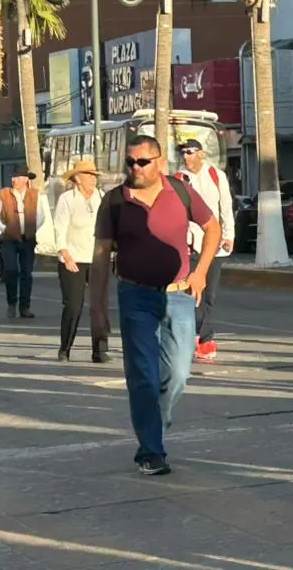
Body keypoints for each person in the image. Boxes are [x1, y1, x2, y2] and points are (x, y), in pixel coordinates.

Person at [90, 135, 222, 476]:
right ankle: (151, 450)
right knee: (143, 377)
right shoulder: (114, 201)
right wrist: (98, 308)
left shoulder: (180, 192)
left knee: (179, 373)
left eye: (142, 161)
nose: (135, 167)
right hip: (135, 296)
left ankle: (156, 419)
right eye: (130, 162)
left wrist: (201, 273)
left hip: (179, 294)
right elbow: (101, 255)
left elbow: (212, 227)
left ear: (160, 162)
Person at [176, 138, 235, 363]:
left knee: (209, 294)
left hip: (215, 244)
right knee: (191, 292)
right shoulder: (180, 177)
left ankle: (206, 338)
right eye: (184, 153)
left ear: (201, 153)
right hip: (190, 245)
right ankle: (190, 335)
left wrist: (229, 235)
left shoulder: (216, 175)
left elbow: (226, 207)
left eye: (191, 152)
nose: (187, 157)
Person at [53, 160, 107, 362]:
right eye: (89, 175)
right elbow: (60, 227)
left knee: (99, 306)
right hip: (73, 258)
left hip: (97, 258)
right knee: (74, 305)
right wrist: (65, 254)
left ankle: (99, 351)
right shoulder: (67, 199)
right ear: (77, 178)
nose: (93, 179)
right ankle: (65, 348)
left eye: (95, 176)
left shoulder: (100, 197)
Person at [0, 166, 51, 319]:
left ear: (25, 180)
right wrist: (5, 229)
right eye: (14, 177)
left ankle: (25, 307)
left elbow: (41, 216)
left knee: (26, 273)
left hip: (28, 239)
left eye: (19, 177)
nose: (15, 180)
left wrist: (30, 229)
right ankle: (11, 304)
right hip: (9, 239)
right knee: (11, 271)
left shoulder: (34, 194)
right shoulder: (2, 194)